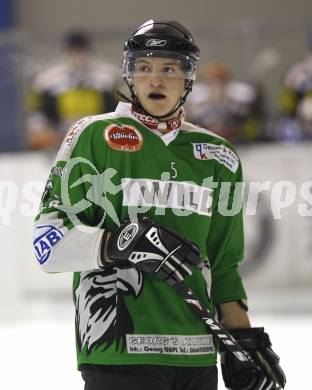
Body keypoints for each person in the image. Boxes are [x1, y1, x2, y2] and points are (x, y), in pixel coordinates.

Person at [34, 20, 286, 390]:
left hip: (197, 351)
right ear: (129, 75)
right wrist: (113, 245)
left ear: (188, 78)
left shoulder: (219, 156)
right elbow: (47, 244)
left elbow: (223, 264)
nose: (156, 79)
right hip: (118, 348)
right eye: (144, 67)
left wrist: (242, 340)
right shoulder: (93, 137)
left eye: (169, 68)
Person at [25, 30, 119, 150]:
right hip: (60, 139)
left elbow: (121, 107)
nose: (78, 57)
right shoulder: (48, 79)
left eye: (81, 51)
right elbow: (35, 110)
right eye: (74, 52)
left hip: (101, 136)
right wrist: (39, 130)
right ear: (66, 53)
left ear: (89, 52)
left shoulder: (108, 76)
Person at [185, 61, 265, 144]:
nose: (216, 83)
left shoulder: (239, 93)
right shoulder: (196, 96)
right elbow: (192, 116)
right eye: (211, 80)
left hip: (237, 139)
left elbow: (246, 113)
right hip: (205, 139)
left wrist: (225, 98)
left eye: (220, 79)